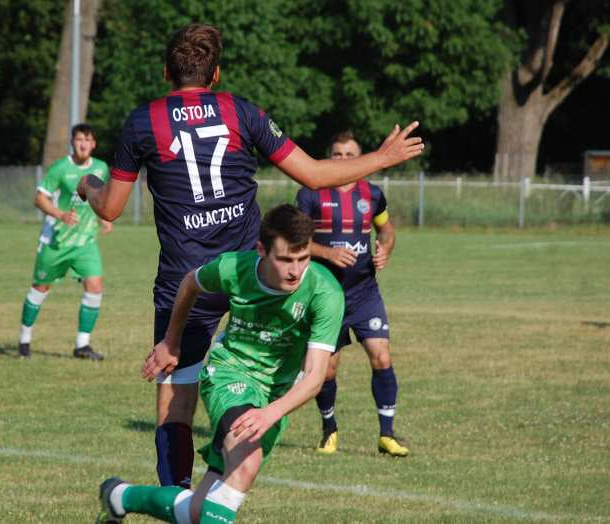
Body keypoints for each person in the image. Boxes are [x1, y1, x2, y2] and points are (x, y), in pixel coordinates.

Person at [78, 23, 423, 488]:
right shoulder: (241, 112)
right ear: (215, 74)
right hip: (254, 273)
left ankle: (179, 495)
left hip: (191, 279)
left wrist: (88, 185)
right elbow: (317, 175)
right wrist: (381, 158)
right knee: (264, 377)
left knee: (175, 405)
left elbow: (111, 208)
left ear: (166, 72)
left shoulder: (144, 121)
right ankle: (229, 474)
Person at [96, 204, 344, 524]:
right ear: (261, 251)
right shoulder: (233, 269)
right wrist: (172, 340)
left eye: (303, 258)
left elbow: (314, 376)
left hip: (275, 398)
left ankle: (119, 496)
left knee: (198, 511)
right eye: (284, 259)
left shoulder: (325, 292)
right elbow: (189, 284)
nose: (295, 270)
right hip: (230, 373)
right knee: (246, 461)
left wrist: (270, 412)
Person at [296, 131, 407, 457]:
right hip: (326, 295)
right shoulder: (311, 194)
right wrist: (326, 253)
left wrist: (384, 250)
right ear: (329, 157)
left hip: (364, 293)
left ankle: (387, 433)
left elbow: (386, 231)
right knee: (327, 370)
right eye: (338, 154)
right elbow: (294, 240)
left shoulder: (372, 195)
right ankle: (329, 428)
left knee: (382, 356)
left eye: (350, 155)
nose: (344, 160)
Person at [17, 123, 111, 360]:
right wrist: (60, 214)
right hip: (56, 241)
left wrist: (105, 217)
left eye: (88, 140)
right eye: (79, 139)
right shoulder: (60, 168)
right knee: (40, 288)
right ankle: (24, 340)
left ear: (94, 144)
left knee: (95, 287)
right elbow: (39, 198)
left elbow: (101, 197)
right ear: (73, 142)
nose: (83, 144)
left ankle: (82, 345)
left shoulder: (101, 168)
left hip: (86, 241)